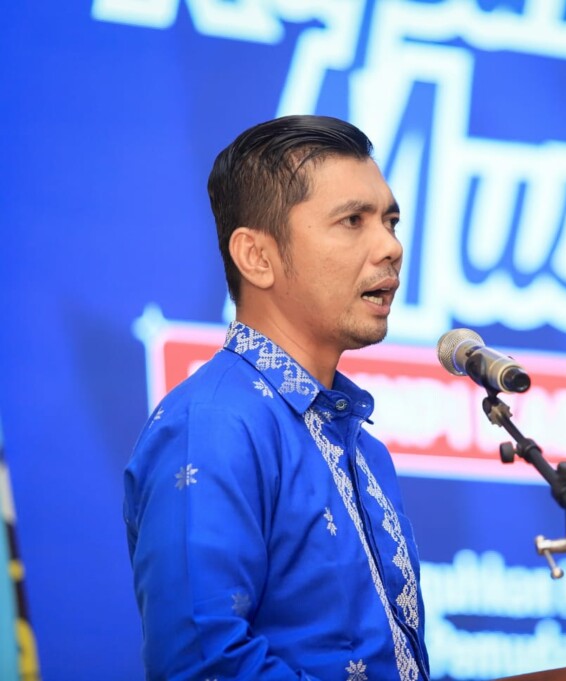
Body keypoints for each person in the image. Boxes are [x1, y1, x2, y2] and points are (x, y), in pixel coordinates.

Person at [124, 115, 430, 680]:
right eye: (353, 221)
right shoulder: (212, 425)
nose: (391, 247)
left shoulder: (360, 445)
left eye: (390, 221)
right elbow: (202, 663)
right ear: (256, 257)